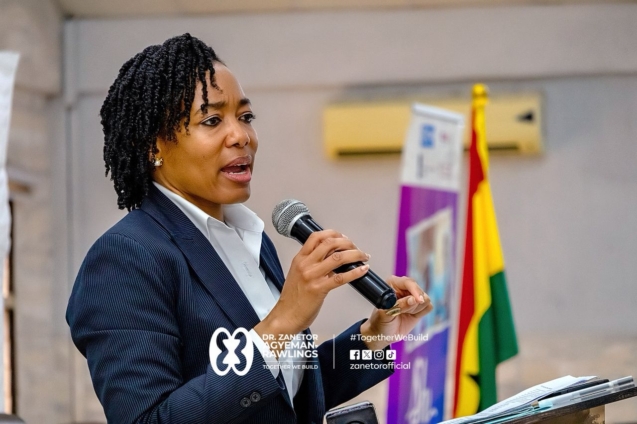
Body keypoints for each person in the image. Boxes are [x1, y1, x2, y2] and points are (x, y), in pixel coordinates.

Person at [66, 33, 433, 424]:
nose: (241, 136)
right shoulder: (126, 258)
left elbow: (286, 395)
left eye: (245, 117)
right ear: (154, 145)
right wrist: (283, 321)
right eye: (212, 120)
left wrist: (374, 336)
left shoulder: (250, 241)